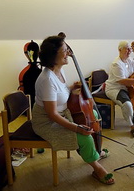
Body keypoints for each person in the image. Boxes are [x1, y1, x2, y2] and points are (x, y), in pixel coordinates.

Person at [31, 35, 114, 185]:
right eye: (64, 50)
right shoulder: (47, 80)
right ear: (53, 55)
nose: (68, 53)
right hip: (46, 122)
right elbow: (52, 114)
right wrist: (77, 128)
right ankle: (97, 168)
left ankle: (94, 151)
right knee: (84, 135)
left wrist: (71, 88)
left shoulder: (59, 70)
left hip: (62, 113)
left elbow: (59, 93)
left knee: (92, 115)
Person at [105, 41, 134, 137]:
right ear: (120, 50)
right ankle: (132, 126)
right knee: (127, 104)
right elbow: (122, 81)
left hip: (128, 87)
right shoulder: (116, 64)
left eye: (130, 49)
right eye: (127, 49)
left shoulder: (130, 60)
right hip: (115, 88)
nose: (129, 51)